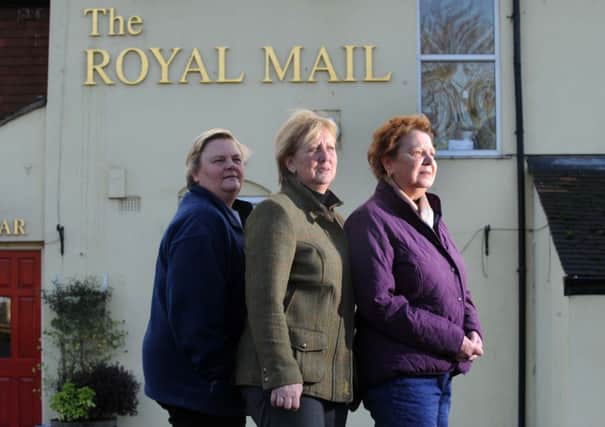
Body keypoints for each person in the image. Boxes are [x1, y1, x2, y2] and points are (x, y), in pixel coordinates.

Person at [344, 115, 484, 427]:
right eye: (417, 153)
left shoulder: (432, 218)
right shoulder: (371, 220)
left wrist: (473, 330)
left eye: (432, 153)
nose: (429, 160)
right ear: (388, 163)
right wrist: (454, 339)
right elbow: (380, 302)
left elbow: (457, 282)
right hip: (402, 378)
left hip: (439, 372)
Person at [236, 110, 354, 427]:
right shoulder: (277, 212)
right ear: (290, 162)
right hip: (289, 381)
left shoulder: (336, 223)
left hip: (329, 381)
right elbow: (263, 301)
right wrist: (281, 371)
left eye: (330, 148)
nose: (325, 156)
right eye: (313, 148)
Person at [142, 128, 252, 427]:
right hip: (199, 387)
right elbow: (193, 311)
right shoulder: (200, 221)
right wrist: (222, 375)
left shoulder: (224, 216)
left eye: (236, 158)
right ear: (196, 174)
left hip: (202, 384)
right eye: (218, 160)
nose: (230, 165)